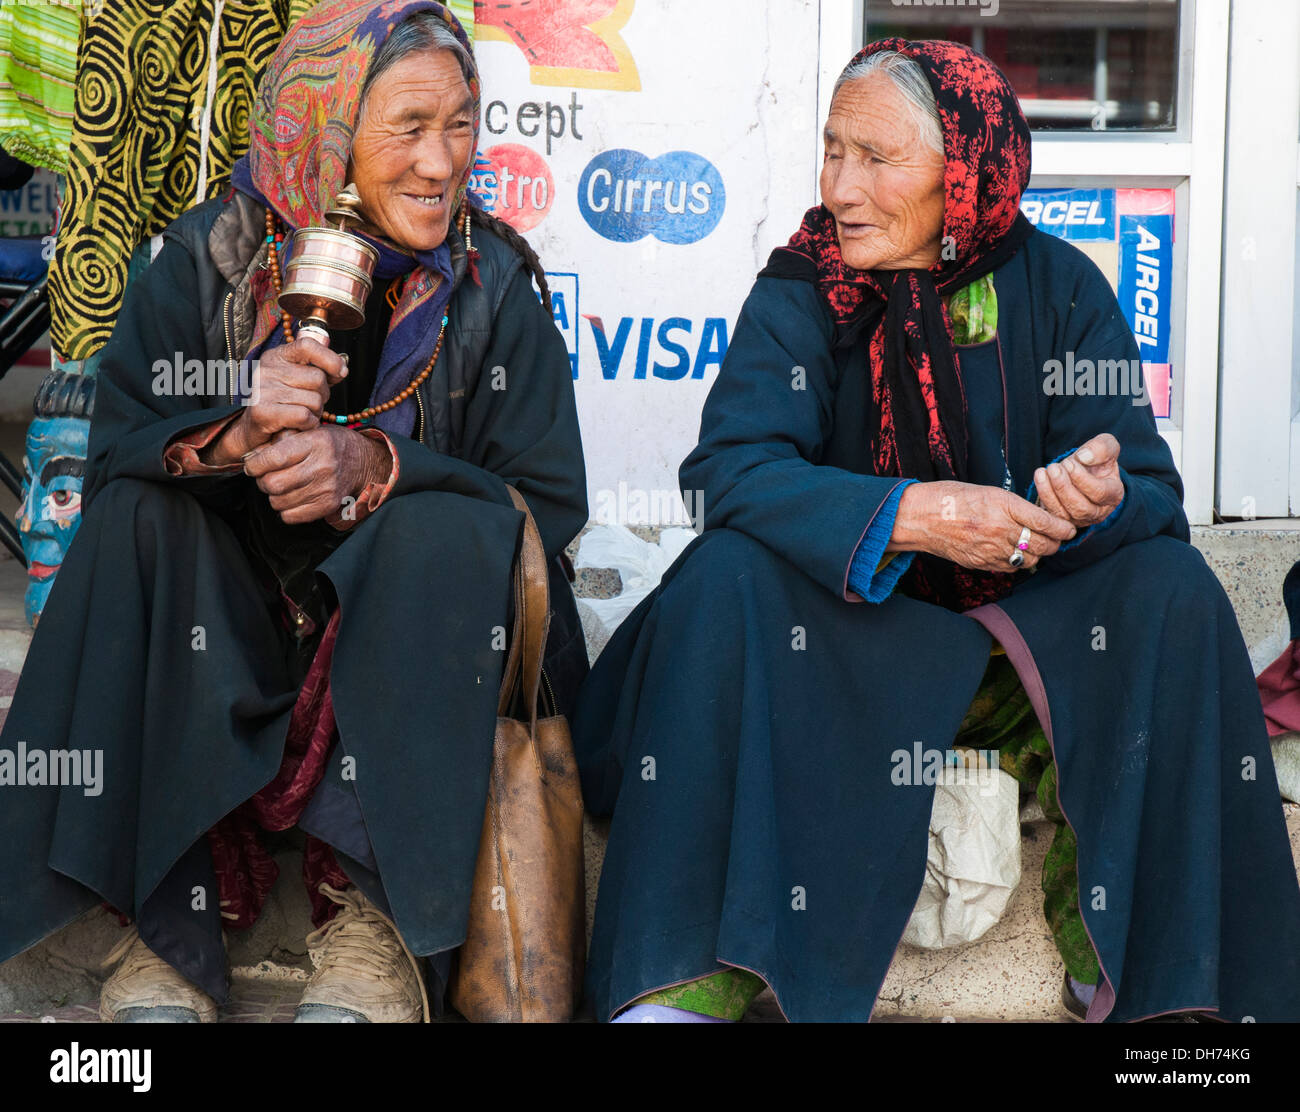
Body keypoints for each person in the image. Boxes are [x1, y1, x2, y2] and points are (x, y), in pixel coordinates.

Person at [573, 39, 1300, 1023]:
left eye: (877, 157)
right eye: (832, 150)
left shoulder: (1063, 288)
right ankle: (682, 988)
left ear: (961, 174)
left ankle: (1178, 995)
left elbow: (1148, 492)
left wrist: (1097, 499)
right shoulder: (804, 287)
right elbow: (730, 470)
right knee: (722, 574)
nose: (840, 185)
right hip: (841, 648)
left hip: (1025, 655)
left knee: (1172, 584)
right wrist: (915, 515)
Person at [0, 0, 588, 1024]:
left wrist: (377, 466)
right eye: (406, 127)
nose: (442, 161)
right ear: (325, 130)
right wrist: (230, 429)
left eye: (460, 122)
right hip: (234, 631)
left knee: (442, 526)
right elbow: (112, 453)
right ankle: (164, 924)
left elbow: (548, 502)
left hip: (413, 646)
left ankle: (375, 930)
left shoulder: (495, 286)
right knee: (142, 515)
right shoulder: (206, 261)